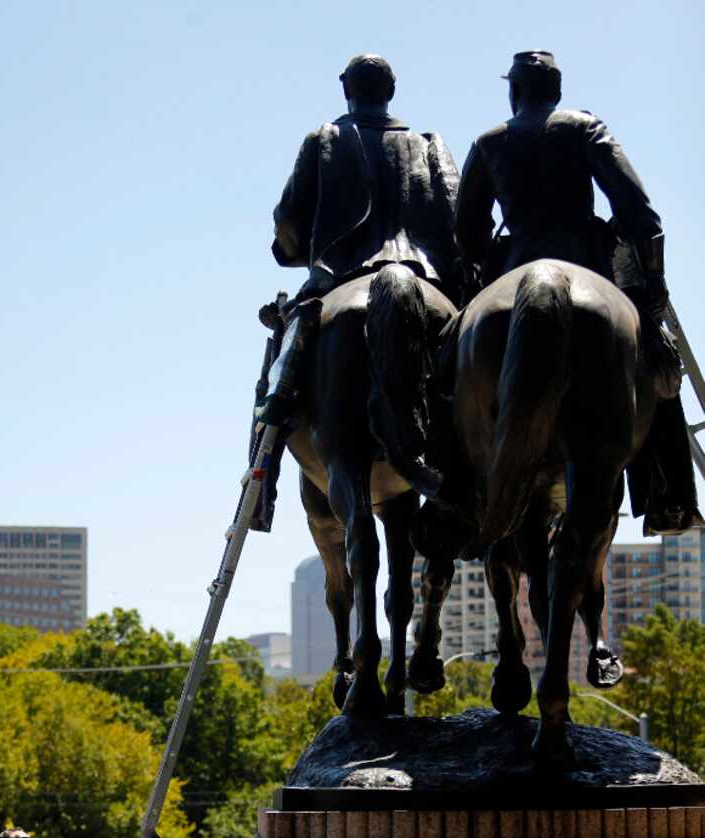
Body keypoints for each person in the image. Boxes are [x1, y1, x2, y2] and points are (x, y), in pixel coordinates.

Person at [454, 49, 703, 537]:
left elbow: (466, 234)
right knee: (658, 365)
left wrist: (494, 261)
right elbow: (637, 209)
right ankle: (669, 494)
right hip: (592, 265)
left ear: (514, 91)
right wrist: (652, 289)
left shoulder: (488, 142)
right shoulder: (584, 127)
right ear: (557, 92)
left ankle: (455, 492)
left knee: (447, 371)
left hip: (512, 262)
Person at [251, 53, 462, 530]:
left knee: (274, 383)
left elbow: (288, 218)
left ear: (346, 87)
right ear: (391, 90)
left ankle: (261, 487)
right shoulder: (430, 143)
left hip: (337, 277)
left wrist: (294, 251)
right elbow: (455, 214)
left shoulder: (323, 140)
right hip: (427, 276)